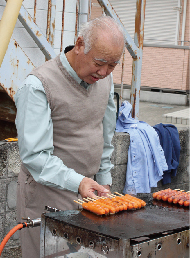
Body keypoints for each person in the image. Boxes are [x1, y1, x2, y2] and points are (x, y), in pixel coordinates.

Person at [15, 16, 125, 257]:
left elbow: (105, 136)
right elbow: (35, 157)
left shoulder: (105, 82)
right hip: (47, 194)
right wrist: (79, 182)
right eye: (100, 62)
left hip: (89, 192)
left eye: (113, 65)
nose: (104, 72)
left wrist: (104, 178)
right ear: (80, 44)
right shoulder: (39, 85)